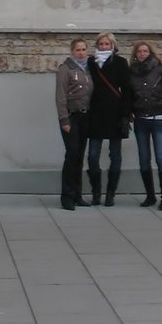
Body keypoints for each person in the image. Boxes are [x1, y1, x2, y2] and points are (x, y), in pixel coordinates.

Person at [87, 32, 133, 206]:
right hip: (95, 113)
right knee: (92, 155)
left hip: (115, 112)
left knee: (115, 154)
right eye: (101, 44)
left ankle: (110, 193)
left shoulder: (120, 62)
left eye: (107, 44)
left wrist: (125, 115)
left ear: (113, 45)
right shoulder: (91, 62)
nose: (104, 46)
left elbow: (127, 89)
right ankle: (96, 192)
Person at [129, 40, 162, 210]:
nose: (142, 54)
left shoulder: (161, 71)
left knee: (161, 158)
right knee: (143, 159)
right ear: (135, 54)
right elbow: (128, 95)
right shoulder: (131, 73)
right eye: (139, 51)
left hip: (158, 119)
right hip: (141, 119)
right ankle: (150, 195)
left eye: (145, 51)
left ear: (150, 53)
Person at [55, 38, 94, 211]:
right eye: (78, 50)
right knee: (72, 154)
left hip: (86, 117)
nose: (81, 52)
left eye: (84, 49)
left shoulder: (88, 69)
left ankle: (78, 194)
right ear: (72, 51)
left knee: (79, 157)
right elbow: (60, 96)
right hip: (71, 117)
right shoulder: (66, 69)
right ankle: (66, 196)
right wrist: (64, 119)